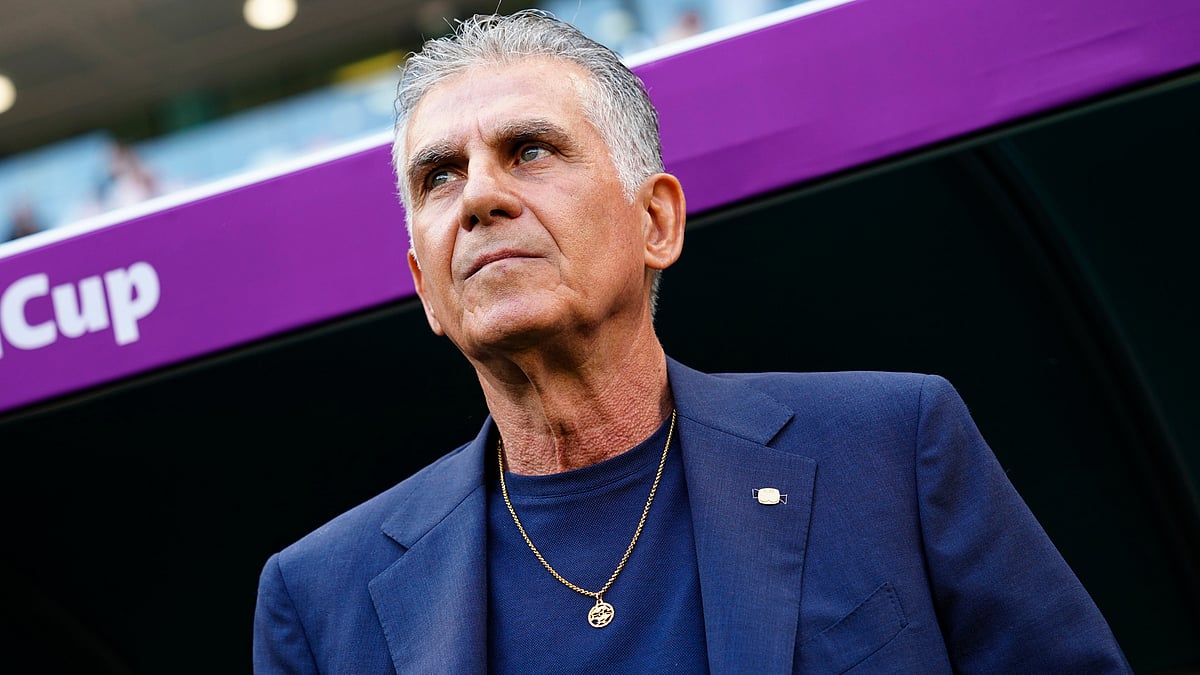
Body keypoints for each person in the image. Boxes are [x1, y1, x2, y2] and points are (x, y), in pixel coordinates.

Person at [253, 10, 1131, 673]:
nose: (480, 196)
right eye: (440, 175)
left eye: (530, 150)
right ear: (426, 288)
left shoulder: (891, 446)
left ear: (656, 221)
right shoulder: (320, 601)